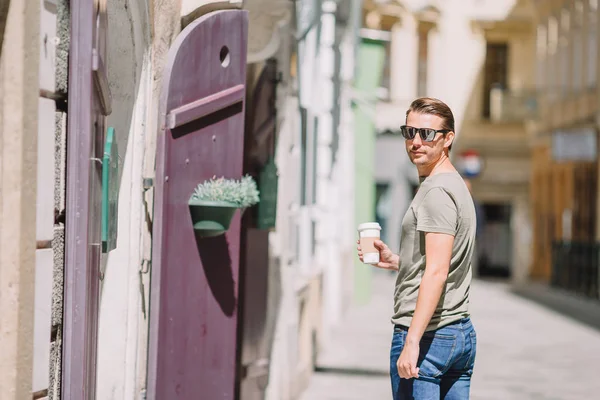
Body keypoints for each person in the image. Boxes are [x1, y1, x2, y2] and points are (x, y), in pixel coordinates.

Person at [357, 97, 477, 399]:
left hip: (430, 335)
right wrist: (399, 260)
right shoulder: (454, 184)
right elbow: (442, 261)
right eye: (409, 132)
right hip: (458, 332)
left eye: (427, 134)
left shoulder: (436, 192)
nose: (416, 141)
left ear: (448, 138)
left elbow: (436, 272)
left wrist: (412, 341)